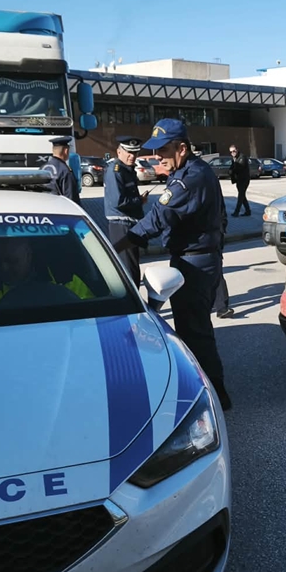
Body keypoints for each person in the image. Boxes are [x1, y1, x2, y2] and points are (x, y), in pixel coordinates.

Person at [119, 119, 232, 410]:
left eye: (163, 150)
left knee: (194, 332)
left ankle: (214, 398)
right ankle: (210, 392)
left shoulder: (190, 178)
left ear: (182, 148)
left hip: (195, 263)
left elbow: (158, 219)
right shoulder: (188, 171)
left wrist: (117, 245)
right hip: (196, 258)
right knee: (192, 328)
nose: (157, 156)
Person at [106, 137, 148, 282]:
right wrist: (139, 201)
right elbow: (119, 201)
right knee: (129, 270)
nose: (132, 156)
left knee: (132, 267)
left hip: (128, 223)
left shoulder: (126, 169)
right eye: (129, 152)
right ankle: (133, 302)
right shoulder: (116, 170)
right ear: (119, 152)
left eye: (135, 153)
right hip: (121, 225)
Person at [43, 135, 80, 204]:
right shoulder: (65, 171)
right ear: (66, 151)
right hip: (60, 209)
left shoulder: (43, 168)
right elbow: (71, 199)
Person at [229, 144, 252, 216]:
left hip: (244, 180)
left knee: (240, 196)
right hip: (238, 180)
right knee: (242, 196)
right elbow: (232, 167)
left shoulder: (242, 157)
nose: (232, 153)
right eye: (231, 152)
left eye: (234, 151)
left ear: (237, 150)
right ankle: (248, 211)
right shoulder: (234, 158)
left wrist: (232, 170)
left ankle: (237, 212)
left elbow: (240, 167)